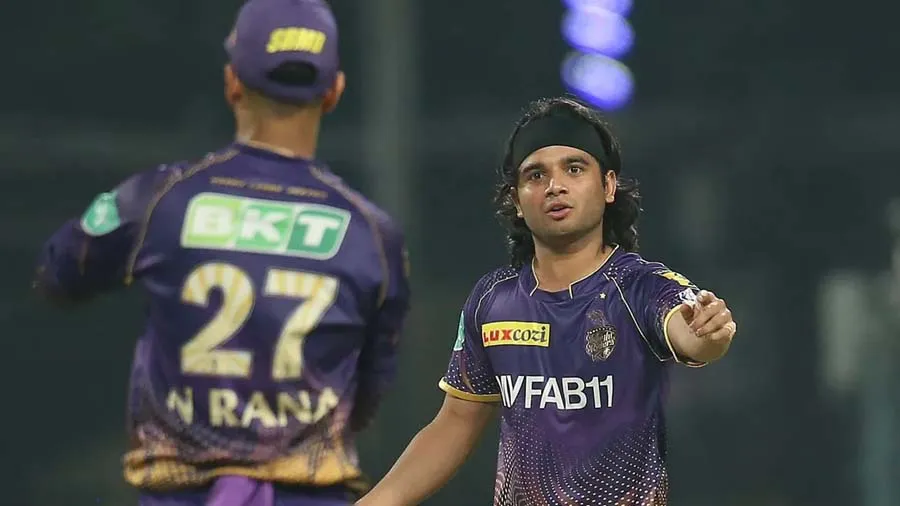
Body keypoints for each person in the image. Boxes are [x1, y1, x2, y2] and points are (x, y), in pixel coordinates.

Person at [32, 0, 411, 505]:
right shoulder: (372, 235)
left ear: (232, 82)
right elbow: (370, 394)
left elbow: (59, 273)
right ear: (334, 91)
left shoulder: (159, 200)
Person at [357, 96, 737, 506]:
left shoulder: (638, 286)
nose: (555, 186)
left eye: (574, 169)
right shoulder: (493, 301)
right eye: (536, 175)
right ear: (517, 201)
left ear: (608, 186)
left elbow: (690, 331)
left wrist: (708, 334)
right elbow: (455, 422)